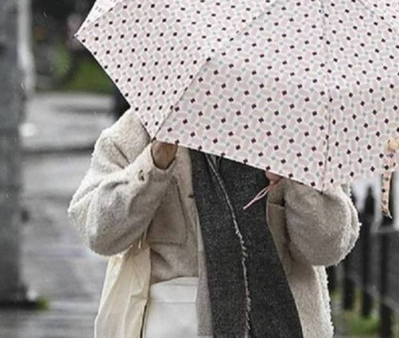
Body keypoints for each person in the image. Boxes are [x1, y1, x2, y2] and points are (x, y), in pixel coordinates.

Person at [69, 110, 360, 337]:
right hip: (178, 325)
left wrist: (299, 176)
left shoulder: (299, 127)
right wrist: (155, 162)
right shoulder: (141, 128)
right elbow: (98, 231)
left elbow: (327, 248)